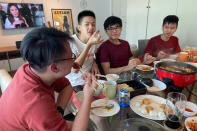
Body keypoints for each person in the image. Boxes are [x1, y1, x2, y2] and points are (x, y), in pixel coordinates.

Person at [0, 27, 97, 131]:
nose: (74, 60)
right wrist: (87, 96)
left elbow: (66, 86)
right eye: (72, 56)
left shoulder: (33, 67)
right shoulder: (37, 104)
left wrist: (58, 111)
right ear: (54, 68)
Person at [66, 10, 103, 86]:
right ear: (79, 27)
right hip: (74, 84)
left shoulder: (93, 40)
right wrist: (88, 45)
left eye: (93, 24)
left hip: (89, 80)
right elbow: (74, 69)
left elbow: (91, 56)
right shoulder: (71, 42)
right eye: (87, 24)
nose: (91, 27)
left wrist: (94, 63)